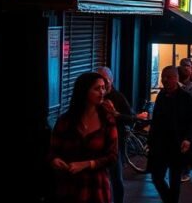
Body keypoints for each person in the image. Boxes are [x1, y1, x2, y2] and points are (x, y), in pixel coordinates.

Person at [49, 72, 117, 203]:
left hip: (96, 187)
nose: (102, 92)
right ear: (84, 91)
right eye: (97, 88)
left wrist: (87, 164)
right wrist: (55, 160)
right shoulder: (65, 121)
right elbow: (53, 151)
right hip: (69, 186)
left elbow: (112, 157)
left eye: (103, 88)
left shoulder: (107, 121)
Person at [148, 66, 192, 203]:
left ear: (176, 78)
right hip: (161, 145)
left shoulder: (186, 97)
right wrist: (151, 140)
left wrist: (188, 139)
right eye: (163, 77)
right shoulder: (161, 96)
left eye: (168, 77)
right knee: (156, 177)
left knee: (175, 180)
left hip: (178, 145)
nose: (164, 80)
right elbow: (156, 120)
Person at [95, 67, 135, 203]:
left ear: (111, 80)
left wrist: (116, 114)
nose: (102, 84)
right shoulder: (93, 96)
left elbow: (131, 118)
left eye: (105, 80)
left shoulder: (118, 97)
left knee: (116, 177)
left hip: (114, 143)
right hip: (97, 142)